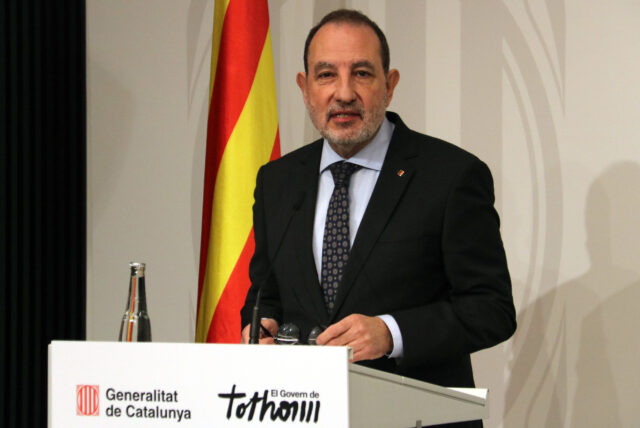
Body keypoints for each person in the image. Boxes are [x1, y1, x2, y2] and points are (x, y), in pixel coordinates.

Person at [241, 9, 516, 427]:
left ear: (390, 85)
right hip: (306, 413)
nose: (344, 93)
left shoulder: (450, 176)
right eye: (326, 75)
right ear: (305, 87)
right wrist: (260, 323)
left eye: (362, 73)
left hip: (418, 417)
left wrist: (392, 333)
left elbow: (491, 309)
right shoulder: (277, 181)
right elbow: (267, 291)